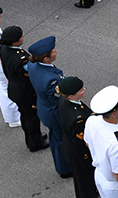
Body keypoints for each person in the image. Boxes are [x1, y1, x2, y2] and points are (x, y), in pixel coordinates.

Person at [27, 36, 72, 178]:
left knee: (55, 138)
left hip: (43, 107)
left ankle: (62, 165)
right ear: (46, 59)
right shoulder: (51, 80)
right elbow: (57, 101)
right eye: (53, 51)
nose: (56, 51)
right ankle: (64, 169)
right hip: (54, 113)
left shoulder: (34, 65)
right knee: (61, 141)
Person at [0, 25, 49, 152]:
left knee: (25, 116)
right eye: (21, 36)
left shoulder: (4, 48)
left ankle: (32, 138)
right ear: (15, 41)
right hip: (23, 94)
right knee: (32, 118)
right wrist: (33, 101)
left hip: (14, 89)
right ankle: (35, 143)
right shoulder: (21, 60)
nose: (23, 37)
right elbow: (26, 83)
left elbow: (5, 67)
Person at [84, 85, 118, 198]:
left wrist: (101, 158)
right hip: (115, 186)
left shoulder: (92, 121)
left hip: (100, 174)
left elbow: (88, 143)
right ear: (113, 113)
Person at [57, 77, 98, 198]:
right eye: (80, 90)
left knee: (81, 182)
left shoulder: (65, 101)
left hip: (70, 146)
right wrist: (87, 160)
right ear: (71, 96)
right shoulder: (77, 119)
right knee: (86, 184)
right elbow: (80, 142)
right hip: (80, 155)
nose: (84, 89)